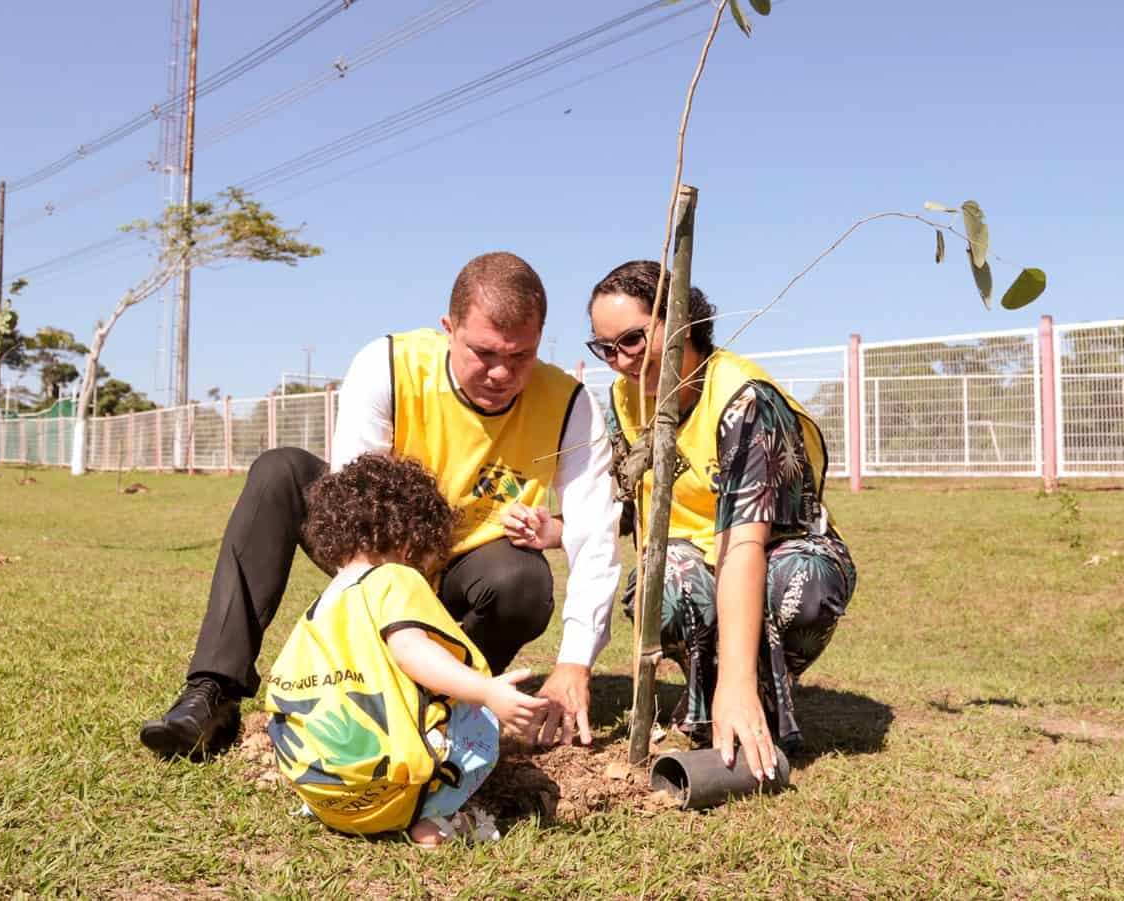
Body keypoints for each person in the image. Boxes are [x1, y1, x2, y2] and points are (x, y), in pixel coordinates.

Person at [139, 252, 620, 758]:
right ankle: (212, 692)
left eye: (520, 356)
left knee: (523, 581)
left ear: (540, 337)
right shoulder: (386, 365)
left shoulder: (572, 405)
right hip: (378, 546)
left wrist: (574, 663)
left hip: (467, 566)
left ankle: (435, 702)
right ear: (448, 329)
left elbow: (595, 537)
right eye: (483, 353)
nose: (502, 373)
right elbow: (356, 517)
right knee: (278, 472)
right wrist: (367, 632)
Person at [585, 259, 856, 782]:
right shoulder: (626, 399)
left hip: (772, 552)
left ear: (681, 321)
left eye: (633, 341)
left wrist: (737, 679)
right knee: (664, 584)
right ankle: (713, 702)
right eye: (605, 348)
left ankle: (750, 691)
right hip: (694, 562)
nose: (620, 362)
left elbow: (745, 543)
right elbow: (630, 503)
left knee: (801, 581)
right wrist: (552, 528)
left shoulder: (744, 399)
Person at [265, 453, 546, 845]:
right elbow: (413, 651)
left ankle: (334, 809)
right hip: (391, 792)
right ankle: (433, 818)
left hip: (324, 791)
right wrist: (486, 692)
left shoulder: (324, 603)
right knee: (478, 718)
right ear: (413, 542)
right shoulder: (394, 578)